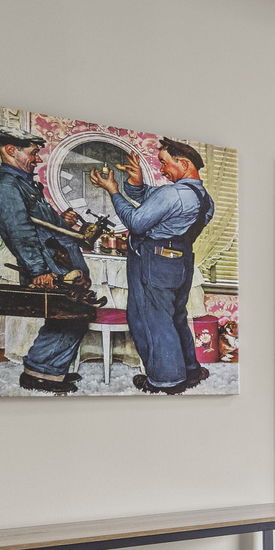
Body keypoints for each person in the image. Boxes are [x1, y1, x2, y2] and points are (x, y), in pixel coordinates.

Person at [89, 138, 214, 394]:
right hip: (180, 262)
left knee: (152, 320)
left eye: (165, 163)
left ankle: (166, 381)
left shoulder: (173, 193)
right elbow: (154, 199)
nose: (162, 170)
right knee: (175, 318)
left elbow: (136, 222)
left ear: (184, 163)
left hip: (154, 261)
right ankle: (190, 370)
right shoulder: (203, 198)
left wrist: (113, 189)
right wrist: (135, 183)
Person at [0, 124, 90, 393]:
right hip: (48, 266)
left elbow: (42, 226)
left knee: (70, 315)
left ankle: (48, 371)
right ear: (11, 150)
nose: (38, 158)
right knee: (68, 315)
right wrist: (37, 270)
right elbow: (18, 232)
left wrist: (61, 221)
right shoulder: (7, 186)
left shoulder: (25, 185)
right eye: (33, 152)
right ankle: (39, 374)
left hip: (61, 262)